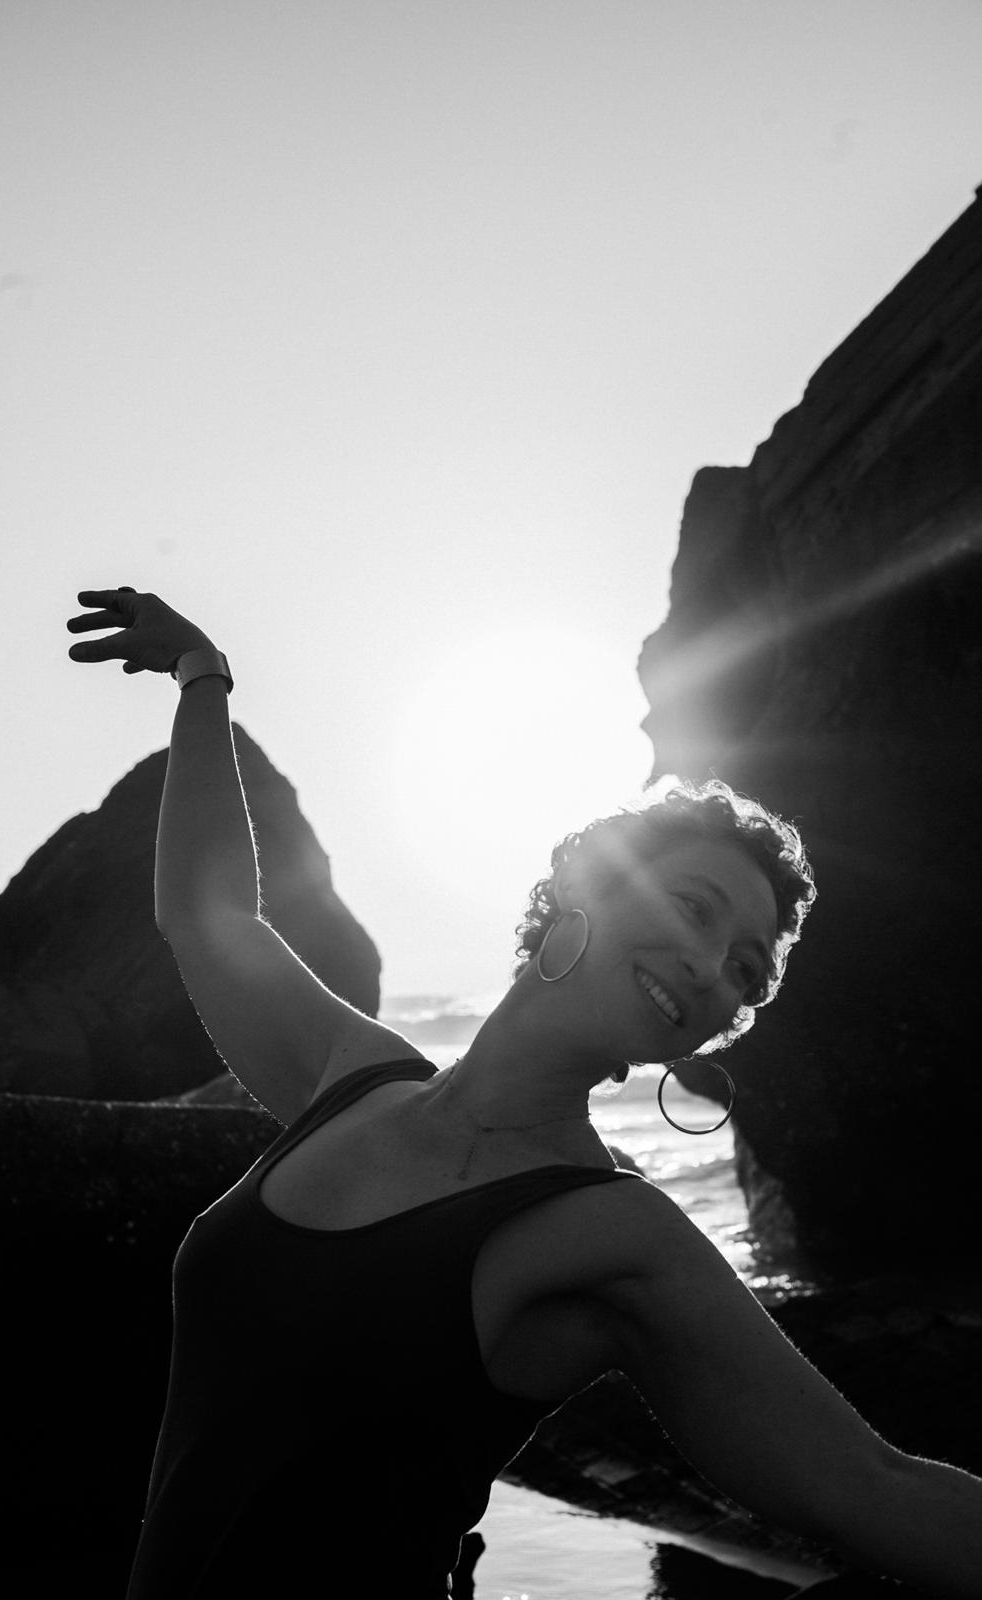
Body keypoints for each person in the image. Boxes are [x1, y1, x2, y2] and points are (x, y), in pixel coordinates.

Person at [67, 587, 982, 1599]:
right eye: (694, 907)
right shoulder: (350, 1076)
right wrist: (203, 675)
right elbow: (211, 916)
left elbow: (870, 1484)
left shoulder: (616, 1232)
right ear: (587, 882)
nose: (710, 967)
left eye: (745, 971)